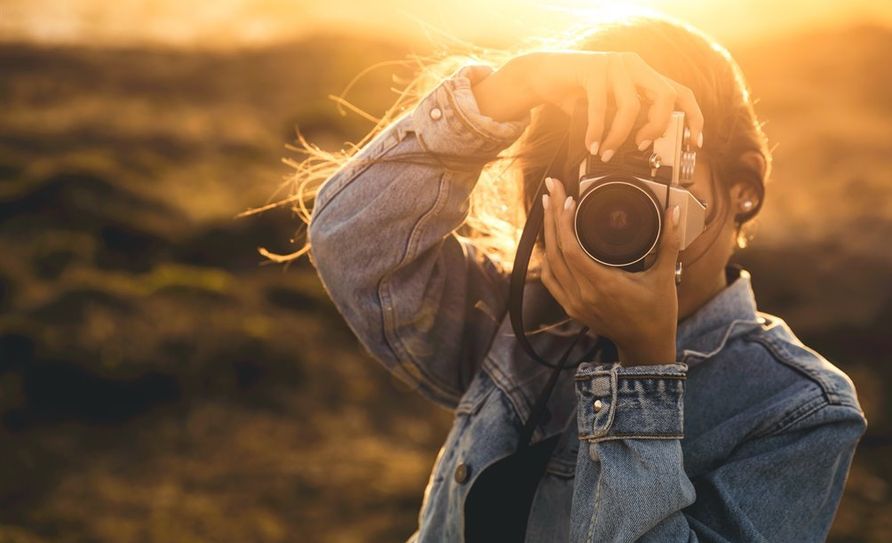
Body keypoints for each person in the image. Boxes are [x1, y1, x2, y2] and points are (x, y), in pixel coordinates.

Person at [296, 12, 867, 543]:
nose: (626, 208)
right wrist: (511, 89)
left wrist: (644, 364)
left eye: (660, 178)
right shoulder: (522, 317)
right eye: (604, 181)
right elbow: (353, 241)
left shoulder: (797, 409)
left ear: (743, 188)